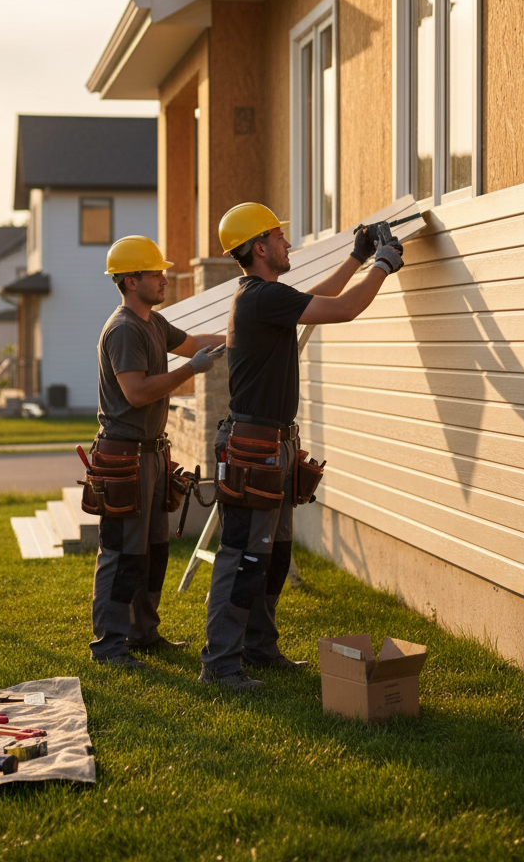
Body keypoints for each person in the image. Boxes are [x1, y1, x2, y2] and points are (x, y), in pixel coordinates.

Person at [199, 203, 403, 690]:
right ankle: (221, 664)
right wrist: (384, 262)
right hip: (254, 449)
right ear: (260, 247)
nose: (289, 244)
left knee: (272, 553)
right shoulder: (258, 298)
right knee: (243, 556)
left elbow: (314, 298)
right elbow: (345, 309)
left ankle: (259, 647)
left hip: (271, 445)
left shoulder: (264, 298)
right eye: (280, 237)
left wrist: (356, 258)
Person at [90, 234, 226, 669]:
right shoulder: (125, 329)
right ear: (131, 281)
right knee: (122, 553)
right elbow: (135, 392)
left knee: (152, 549)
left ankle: (143, 633)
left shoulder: (152, 322)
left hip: (149, 454)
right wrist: (191, 370)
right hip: (123, 455)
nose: (165, 279)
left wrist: (242, 336)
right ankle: (110, 646)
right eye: (156, 273)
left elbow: (191, 342)